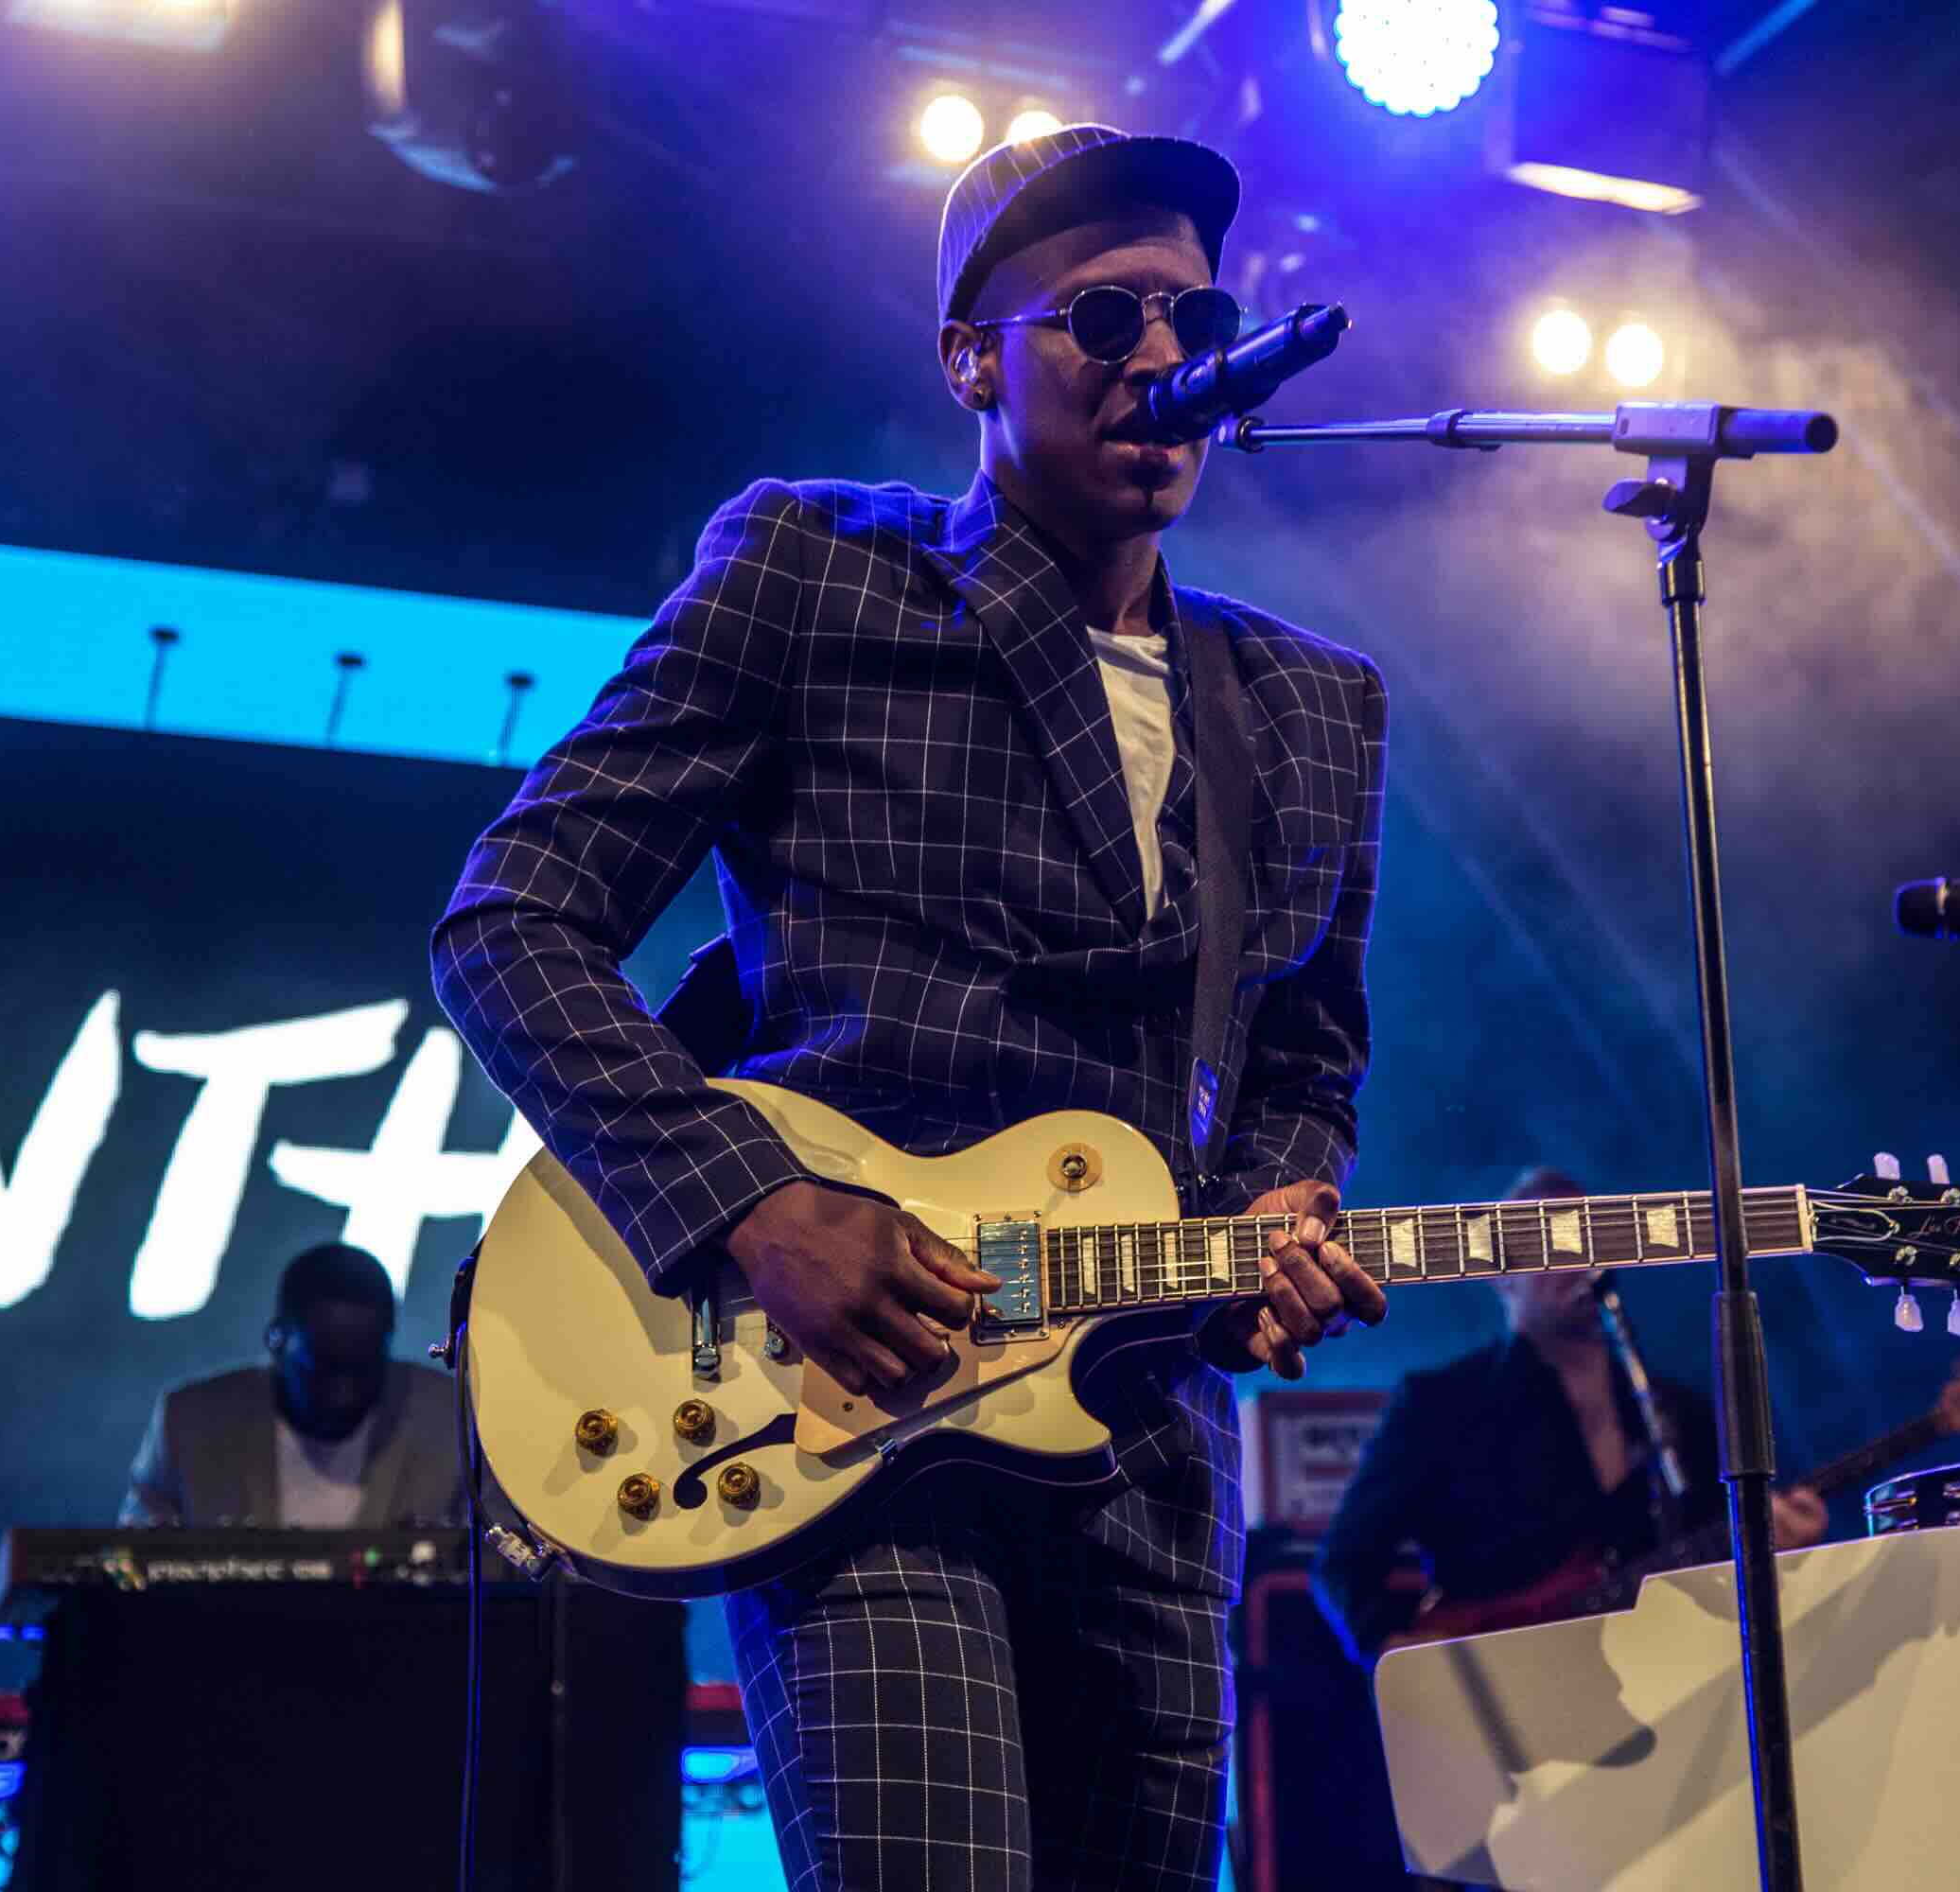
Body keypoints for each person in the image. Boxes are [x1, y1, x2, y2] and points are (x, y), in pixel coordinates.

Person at [430, 124, 1390, 1890]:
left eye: (1195, 314)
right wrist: (751, 1205)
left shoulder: (1316, 704)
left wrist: (1281, 1196)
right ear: (973, 360)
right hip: (859, 1418)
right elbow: (511, 920)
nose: (1166, 357)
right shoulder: (817, 573)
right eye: (1103, 320)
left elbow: (1307, 1049)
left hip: (1153, 1436)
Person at [1312, 1166, 1825, 1667]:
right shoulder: (1438, 1406)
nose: (1575, 1255)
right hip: (1510, 1689)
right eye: (1545, 1238)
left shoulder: (1676, 1410)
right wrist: (1402, 1658)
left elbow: (1710, 1560)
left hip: (1659, 1671)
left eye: (1590, 1236)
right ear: (1499, 1275)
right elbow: (1344, 1564)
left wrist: (1767, 1544)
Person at [119, 1240, 464, 1528]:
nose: (344, 1395)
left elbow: (501, 1560)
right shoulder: (190, 1420)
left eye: (362, 1371)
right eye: (325, 1370)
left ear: (387, 1345)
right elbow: (132, 1561)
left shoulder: (451, 1416)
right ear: (276, 1340)